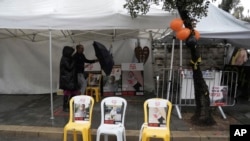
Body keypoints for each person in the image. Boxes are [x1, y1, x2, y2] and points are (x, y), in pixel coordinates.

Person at [59, 46, 80, 112]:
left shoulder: (68, 58)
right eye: (71, 52)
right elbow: (69, 67)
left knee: (73, 93)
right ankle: (65, 107)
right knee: (67, 93)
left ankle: (70, 105)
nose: (72, 54)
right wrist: (74, 61)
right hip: (67, 80)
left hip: (71, 79)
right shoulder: (64, 59)